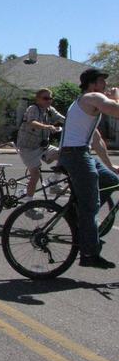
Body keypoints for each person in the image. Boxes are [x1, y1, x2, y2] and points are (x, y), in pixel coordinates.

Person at [58, 69, 119, 269]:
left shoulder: (87, 104)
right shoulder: (91, 97)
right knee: (90, 206)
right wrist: (115, 97)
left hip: (80, 152)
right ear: (92, 84)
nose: (105, 85)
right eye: (102, 81)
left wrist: (110, 166)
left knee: (112, 180)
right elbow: (114, 109)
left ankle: (79, 215)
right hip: (75, 155)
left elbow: (97, 140)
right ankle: (89, 254)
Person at [16, 88, 65, 201]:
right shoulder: (33, 108)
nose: (49, 101)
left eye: (50, 98)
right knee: (36, 174)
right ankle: (28, 201)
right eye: (45, 98)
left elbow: (63, 119)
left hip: (42, 146)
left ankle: (53, 181)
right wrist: (47, 127)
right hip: (28, 148)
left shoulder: (50, 110)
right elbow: (32, 122)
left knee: (63, 154)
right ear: (38, 99)